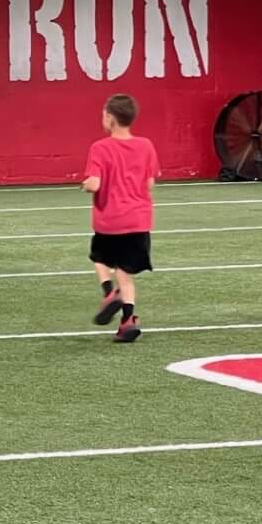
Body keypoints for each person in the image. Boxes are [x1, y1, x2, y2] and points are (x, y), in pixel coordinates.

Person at [81, 93, 159, 344]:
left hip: (110, 219)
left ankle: (108, 293)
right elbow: (150, 183)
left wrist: (85, 185)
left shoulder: (100, 148)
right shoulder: (146, 145)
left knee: (99, 257)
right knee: (126, 272)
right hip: (138, 219)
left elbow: (94, 184)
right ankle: (128, 320)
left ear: (111, 118)